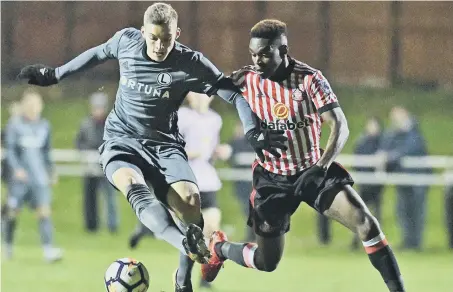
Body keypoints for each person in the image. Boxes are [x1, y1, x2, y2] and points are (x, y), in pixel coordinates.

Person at [18, 4, 285, 291]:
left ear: (177, 34)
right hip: (121, 141)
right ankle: (183, 245)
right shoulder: (126, 42)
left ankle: (181, 278)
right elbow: (97, 53)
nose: (159, 46)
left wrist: (254, 130)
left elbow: (233, 94)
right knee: (133, 186)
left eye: (166, 39)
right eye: (153, 38)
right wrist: (54, 74)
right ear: (143, 32)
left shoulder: (189, 62)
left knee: (191, 204)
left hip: (164, 147)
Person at [201, 19, 406, 292]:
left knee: (366, 223)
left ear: (283, 50)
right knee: (267, 261)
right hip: (272, 179)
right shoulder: (247, 79)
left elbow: (340, 126)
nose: (257, 60)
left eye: (264, 53)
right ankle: (220, 248)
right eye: (253, 54)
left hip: (313, 169)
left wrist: (321, 168)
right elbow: (206, 84)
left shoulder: (310, 79)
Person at [3, 89, 62, 262]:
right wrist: (17, 169)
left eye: (37, 104)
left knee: (44, 212)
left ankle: (48, 251)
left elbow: (46, 152)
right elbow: (10, 151)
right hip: (19, 180)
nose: (34, 107)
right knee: (12, 213)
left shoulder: (44, 126)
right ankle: (7, 246)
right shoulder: (15, 125)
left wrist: (51, 171)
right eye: (31, 104)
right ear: (24, 105)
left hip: (39, 179)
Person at [378, 106, 430, 250]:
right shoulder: (394, 133)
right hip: (403, 179)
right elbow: (386, 146)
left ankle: (416, 244)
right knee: (403, 211)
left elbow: (410, 149)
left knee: (416, 213)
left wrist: (390, 157)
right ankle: (407, 242)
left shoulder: (414, 132)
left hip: (418, 180)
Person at [75, 92, 119, 233]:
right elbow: (79, 142)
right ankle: (91, 226)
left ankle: (112, 226)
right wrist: (86, 154)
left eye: (100, 107)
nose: (97, 110)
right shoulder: (85, 124)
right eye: (95, 107)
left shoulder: (112, 124)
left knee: (110, 197)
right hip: (90, 166)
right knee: (90, 198)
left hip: (108, 166)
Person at [349, 116, 385, 249]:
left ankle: (377, 241)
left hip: (376, 185)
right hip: (364, 184)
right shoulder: (362, 141)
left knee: (376, 214)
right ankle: (356, 241)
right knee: (359, 214)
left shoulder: (382, 142)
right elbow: (357, 161)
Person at [229, 122, 255, 242]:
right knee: (248, 210)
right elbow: (231, 158)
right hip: (242, 184)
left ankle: (254, 237)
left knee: (254, 210)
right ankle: (252, 237)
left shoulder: (254, 141)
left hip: (255, 183)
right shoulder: (236, 143)